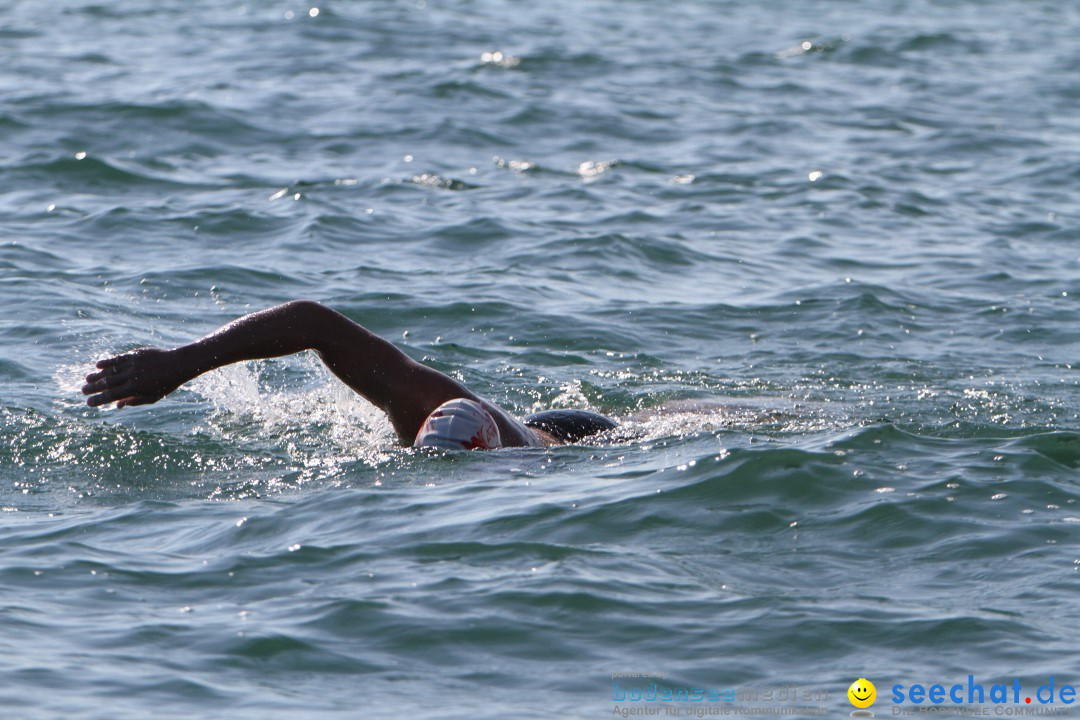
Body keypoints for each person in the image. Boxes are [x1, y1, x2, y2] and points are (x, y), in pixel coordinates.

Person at [82, 300, 617, 450]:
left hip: (576, 437)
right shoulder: (420, 403)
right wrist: (182, 362)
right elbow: (315, 322)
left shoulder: (514, 453)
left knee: (669, 422)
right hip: (522, 425)